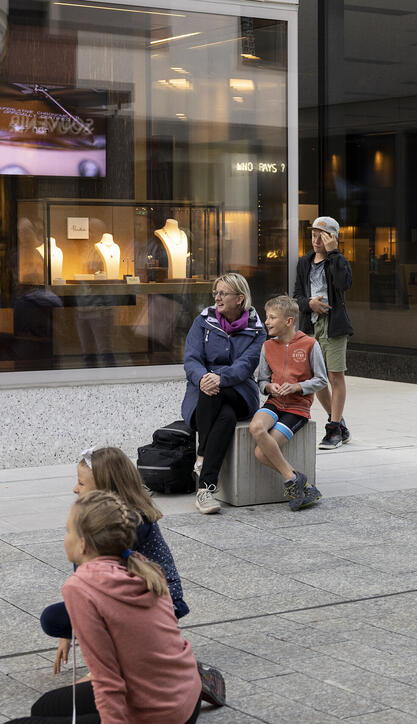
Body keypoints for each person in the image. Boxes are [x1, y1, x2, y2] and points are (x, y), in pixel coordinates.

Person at [38, 447, 226, 709]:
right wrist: (68, 633)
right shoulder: (97, 521)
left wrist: (97, 671)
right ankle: (154, 663)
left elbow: (98, 591)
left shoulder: (130, 522)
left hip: (157, 598)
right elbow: (88, 585)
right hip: (126, 596)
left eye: (81, 483)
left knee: (71, 616)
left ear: (105, 487)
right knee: (57, 619)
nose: (75, 489)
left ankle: (173, 668)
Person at [7, 491, 201, 723]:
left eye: (68, 531)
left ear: (83, 544)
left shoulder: (80, 587)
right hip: (187, 698)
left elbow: (107, 681)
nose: (65, 538)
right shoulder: (143, 565)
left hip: (158, 715)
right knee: (45, 706)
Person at [183, 272, 266, 515]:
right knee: (225, 417)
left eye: (223, 293)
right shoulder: (203, 321)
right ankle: (205, 490)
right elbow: (191, 359)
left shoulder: (257, 329)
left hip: (239, 392)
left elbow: (247, 364)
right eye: (215, 293)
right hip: (204, 394)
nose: (217, 298)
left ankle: (201, 456)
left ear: (240, 298)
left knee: (215, 392)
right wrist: (203, 378)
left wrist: (220, 377)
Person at [251, 295, 329, 510]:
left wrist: (298, 387)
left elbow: (322, 380)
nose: (267, 322)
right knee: (256, 427)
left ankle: (299, 482)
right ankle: (294, 479)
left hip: (297, 408)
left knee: (260, 453)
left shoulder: (310, 345)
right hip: (275, 402)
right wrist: (269, 387)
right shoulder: (267, 346)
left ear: (289, 321)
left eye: (272, 317)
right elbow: (262, 380)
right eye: (267, 317)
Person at [293, 216, 354, 450]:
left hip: (334, 326)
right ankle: (337, 423)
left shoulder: (338, 261)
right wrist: (310, 304)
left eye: (322, 235)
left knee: (335, 376)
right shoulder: (303, 262)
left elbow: (343, 284)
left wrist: (334, 253)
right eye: (313, 234)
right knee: (316, 379)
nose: (316, 239)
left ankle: (334, 429)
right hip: (310, 326)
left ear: (333, 237)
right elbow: (297, 296)